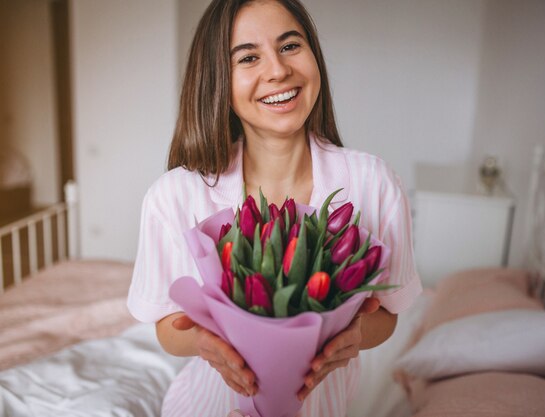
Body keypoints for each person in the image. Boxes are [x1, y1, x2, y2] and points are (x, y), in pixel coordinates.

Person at [127, 0, 421, 415]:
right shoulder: (173, 195)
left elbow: (387, 316)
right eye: (248, 57)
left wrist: (354, 335)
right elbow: (166, 327)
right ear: (218, 81)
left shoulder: (374, 183)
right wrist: (203, 342)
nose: (278, 70)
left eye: (289, 46)